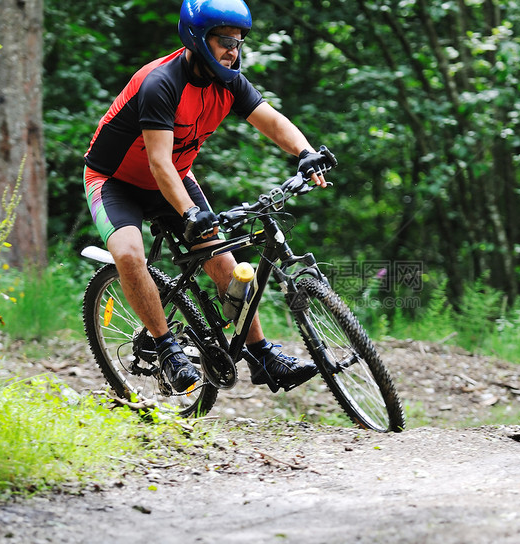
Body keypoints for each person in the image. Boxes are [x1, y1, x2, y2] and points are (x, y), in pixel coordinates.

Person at [83, 0, 334, 394]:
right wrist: (189, 212)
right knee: (130, 254)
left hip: (175, 179)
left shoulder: (230, 81)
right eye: (223, 40)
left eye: (238, 41)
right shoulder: (160, 83)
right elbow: (159, 163)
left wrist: (306, 153)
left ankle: (261, 354)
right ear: (197, 38)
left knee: (225, 263)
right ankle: (166, 349)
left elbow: (270, 119)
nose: (233, 50)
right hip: (115, 182)